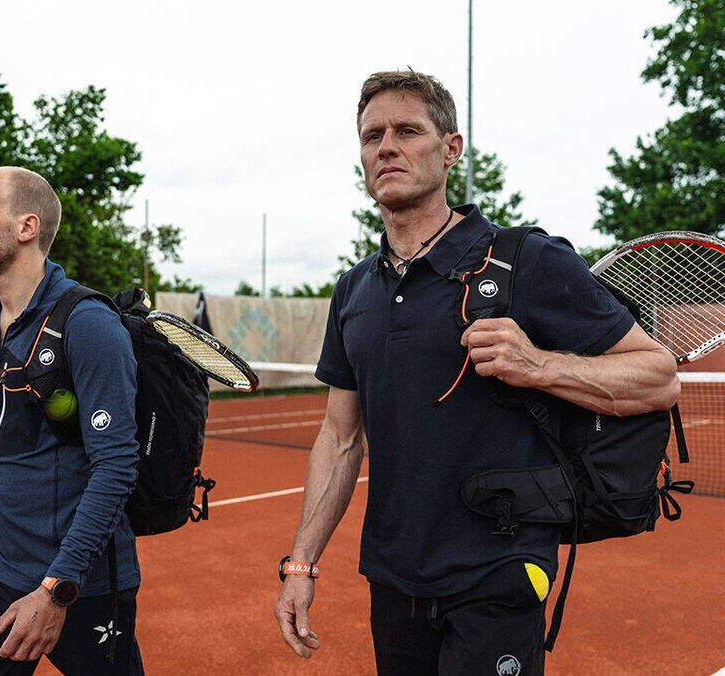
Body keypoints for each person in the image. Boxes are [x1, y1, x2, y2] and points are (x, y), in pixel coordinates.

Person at [273, 70, 679, 674]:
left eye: (408, 130)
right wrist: (302, 564)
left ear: (451, 148)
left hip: (499, 570)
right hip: (392, 574)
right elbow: (340, 437)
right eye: (371, 136)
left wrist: (539, 365)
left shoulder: (529, 261)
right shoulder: (353, 290)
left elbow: (658, 375)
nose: (386, 147)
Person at [0, 167, 143, 675]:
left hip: (82, 584)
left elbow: (117, 465)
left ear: (25, 227)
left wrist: (57, 590)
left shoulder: (89, 324)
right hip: (0, 568)